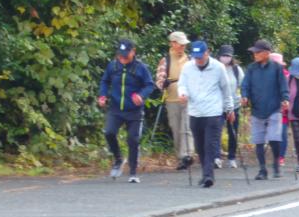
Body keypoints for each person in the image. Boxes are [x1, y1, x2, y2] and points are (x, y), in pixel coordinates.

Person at [178, 41, 235, 188]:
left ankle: (209, 176)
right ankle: (205, 173)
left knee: (210, 145)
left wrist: (229, 109)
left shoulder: (218, 67)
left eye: (200, 56)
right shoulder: (187, 67)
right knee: (199, 146)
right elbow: (182, 84)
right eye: (195, 57)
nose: (198, 60)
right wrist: (182, 94)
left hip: (213, 112)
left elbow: (226, 88)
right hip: (195, 112)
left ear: (207, 53)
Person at [98, 39, 156, 183]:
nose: (123, 58)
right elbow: (105, 81)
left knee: (132, 139)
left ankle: (133, 172)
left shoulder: (140, 68)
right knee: (109, 132)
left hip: (134, 111)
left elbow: (149, 85)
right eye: (120, 55)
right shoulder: (113, 66)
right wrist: (103, 95)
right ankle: (118, 159)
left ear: (133, 52)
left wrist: (141, 95)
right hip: (116, 108)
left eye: (126, 55)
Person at [241, 39, 290, 180]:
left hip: (274, 108)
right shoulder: (251, 68)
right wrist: (244, 96)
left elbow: (283, 86)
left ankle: (276, 164)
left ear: (267, 53)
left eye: (258, 52)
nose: (255, 54)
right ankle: (262, 169)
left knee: (274, 138)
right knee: (259, 141)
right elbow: (245, 85)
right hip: (257, 108)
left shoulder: (277, 68)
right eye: (254, 52)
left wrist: (285, 98)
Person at [155, 31, 194, 171]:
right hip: (172, 99)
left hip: (188, 99)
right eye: (180, 44)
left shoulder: (190, 59)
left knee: (187, 128)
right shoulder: (165, 60)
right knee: (176, 128)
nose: (182, 46)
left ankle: (187, 155)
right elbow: (159, 79)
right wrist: (163, 83)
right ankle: (181, 157)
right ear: (172, 43)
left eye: (184, 44)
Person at [217, 44, 244, 168]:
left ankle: (232, 157)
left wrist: (242, 97)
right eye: (223, 55)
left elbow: (243, 85)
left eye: (228, 56)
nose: (225, 58)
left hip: (234, 105)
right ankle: (216, 157)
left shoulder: (236, 69)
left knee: (233, 132)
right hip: (217, 106)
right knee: (216, 132)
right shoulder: (215, 68)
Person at [271, 53, 290, 167]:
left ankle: (280, 157)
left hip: (283, 110)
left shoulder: (287, 76)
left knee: (282, 133)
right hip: (270, 110)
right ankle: (276, 155)